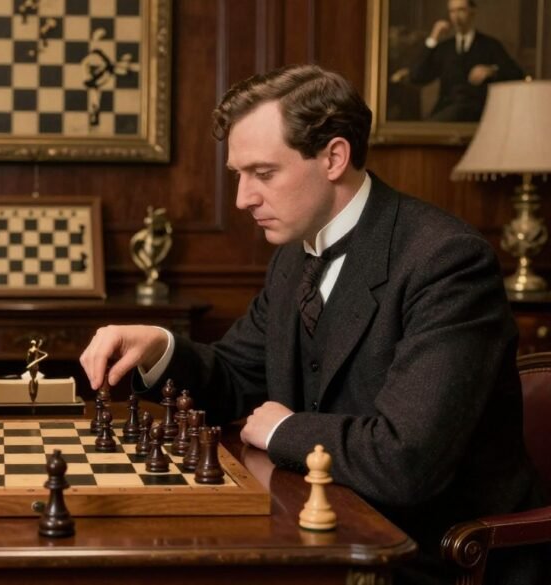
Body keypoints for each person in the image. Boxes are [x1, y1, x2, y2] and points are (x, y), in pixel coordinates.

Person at [79, 64, 546, 584]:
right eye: (239, 174)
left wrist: (283, 429)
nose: (242, 198)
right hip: (319, 536)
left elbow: (405, 460)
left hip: (431, 560)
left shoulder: (447, 261)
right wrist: (158, 347)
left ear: (334, 157)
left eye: (263, 173)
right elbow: (236, 378)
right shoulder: (294, 256)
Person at [389, 0, 524, 122]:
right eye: (452, 11)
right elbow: (417, 76)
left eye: (461, 10)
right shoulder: (445, 48)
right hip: (447, 113)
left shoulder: (489, 45)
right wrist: (433, 38)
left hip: (480, 115)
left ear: (472, 11)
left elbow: (517, 75)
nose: (456, 16)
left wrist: (492, 71)